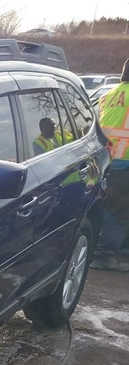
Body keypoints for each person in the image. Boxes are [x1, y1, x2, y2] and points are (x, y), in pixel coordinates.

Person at [95, 58, 129, 271]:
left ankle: (113, 251)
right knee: (118, 211)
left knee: (111, 208)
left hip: (107, 159)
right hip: (124, 161)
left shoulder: (108, 94)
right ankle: (103, 255)